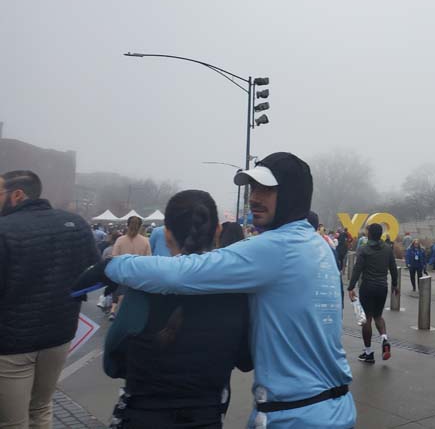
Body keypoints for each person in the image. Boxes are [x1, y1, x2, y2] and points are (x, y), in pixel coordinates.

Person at [84, 152, 356, 428]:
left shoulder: (276, 247)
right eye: (253, 188)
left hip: (296, 415)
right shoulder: (318, 245)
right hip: (336, 408)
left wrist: (113, 266)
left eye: (266, 189)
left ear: (292, 195)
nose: (254, 197)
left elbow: (183, 274)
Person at [103, 190, 252, 428]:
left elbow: (112, 364)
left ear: (167, 234)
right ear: (217, 231)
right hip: (207, 416)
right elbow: (246, 359)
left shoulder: (142, 291)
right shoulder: (237, 295)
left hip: (141, 416)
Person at [0, 171, 99, 429]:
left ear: (17, 195)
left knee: (12, 421)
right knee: (42, 407)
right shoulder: (76, 224)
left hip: (11, 345)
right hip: (60, 335)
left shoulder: (3, 231)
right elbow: (95, 275)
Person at [347, 223, 399, 364]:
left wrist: (351, 287)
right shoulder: (388, 249)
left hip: (368, 287)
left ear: (369, 234)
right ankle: (384, 339)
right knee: (378, 316)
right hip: (382, 287)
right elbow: (393, 269)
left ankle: (368, 353)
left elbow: (357, 270)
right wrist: (395, 284)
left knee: (367, 319)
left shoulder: (364, 250)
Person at [109, 216, 152, 320]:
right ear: (140, 227)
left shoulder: (120, 240)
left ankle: (115, 311)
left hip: (122, 273)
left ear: (127, 225)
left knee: (120, 293)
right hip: (138, 275)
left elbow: (114, 257)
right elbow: (149, 259)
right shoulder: (145, 241)